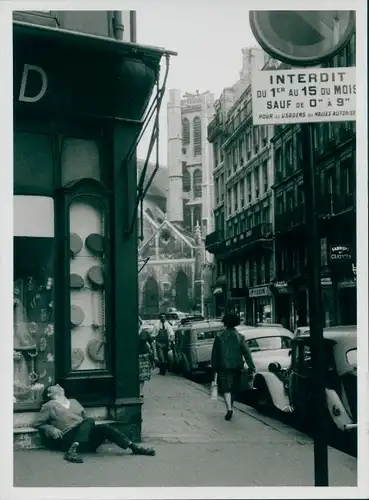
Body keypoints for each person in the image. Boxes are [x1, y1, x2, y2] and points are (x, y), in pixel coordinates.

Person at [33, 384, 155, 463]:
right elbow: (37, 423)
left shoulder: (74, 401)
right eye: (55, 385)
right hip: (67, 438)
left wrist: (89, 428)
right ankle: (71, 451)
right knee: (90, 421)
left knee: (104, 427)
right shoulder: (48, 406)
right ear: (49, 393)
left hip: (86, 441)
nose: (58, 385)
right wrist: (50, 429)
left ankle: (134, 447)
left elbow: (86, 420)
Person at [211, 312, 256, 421]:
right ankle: (231, 405)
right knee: (234, 388)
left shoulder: (219, 337)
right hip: (237, 366)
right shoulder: (240, 337)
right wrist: (251, 366)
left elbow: (215, 354)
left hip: (223, 367)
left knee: (226, 388)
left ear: (225, 323)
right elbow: (246, 353)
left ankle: (229, 408)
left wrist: (214, 368)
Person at [138, 320, 155, 398]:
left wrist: (155, 354)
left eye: (137, 322)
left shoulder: (145, 333)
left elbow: (152, 343)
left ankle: (140, 392)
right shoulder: (131, 332)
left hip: (144, 356)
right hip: (134, 356)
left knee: (142, 376)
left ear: (140, 323)